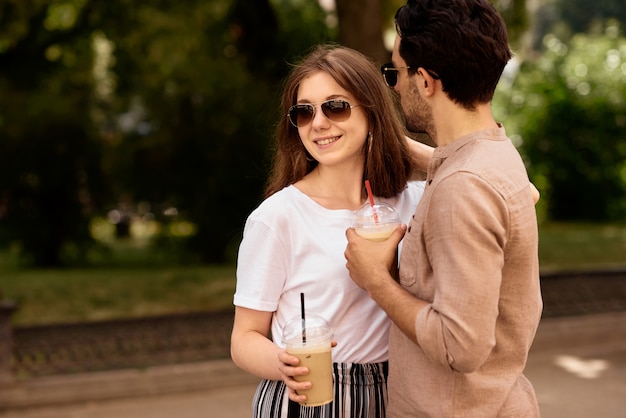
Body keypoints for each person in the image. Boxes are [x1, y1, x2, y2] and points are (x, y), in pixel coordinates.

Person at [344, 0, 543, 416]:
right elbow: (483, 181)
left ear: (426, 81)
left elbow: (460, 346)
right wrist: (398, 146)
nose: (393, 86)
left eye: (395, 72)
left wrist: (375, 280)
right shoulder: (494, 154)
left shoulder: (462, 189)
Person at [230, 44, 432, 418]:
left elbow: (511, 193)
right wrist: (284, 364)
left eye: (335, 107)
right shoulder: (278, 217)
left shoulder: (415, 202)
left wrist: (401, 145)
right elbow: (243, 338)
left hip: (400, 392)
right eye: (303, 113)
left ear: (371, 111)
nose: (319, 123)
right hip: (309, 396)